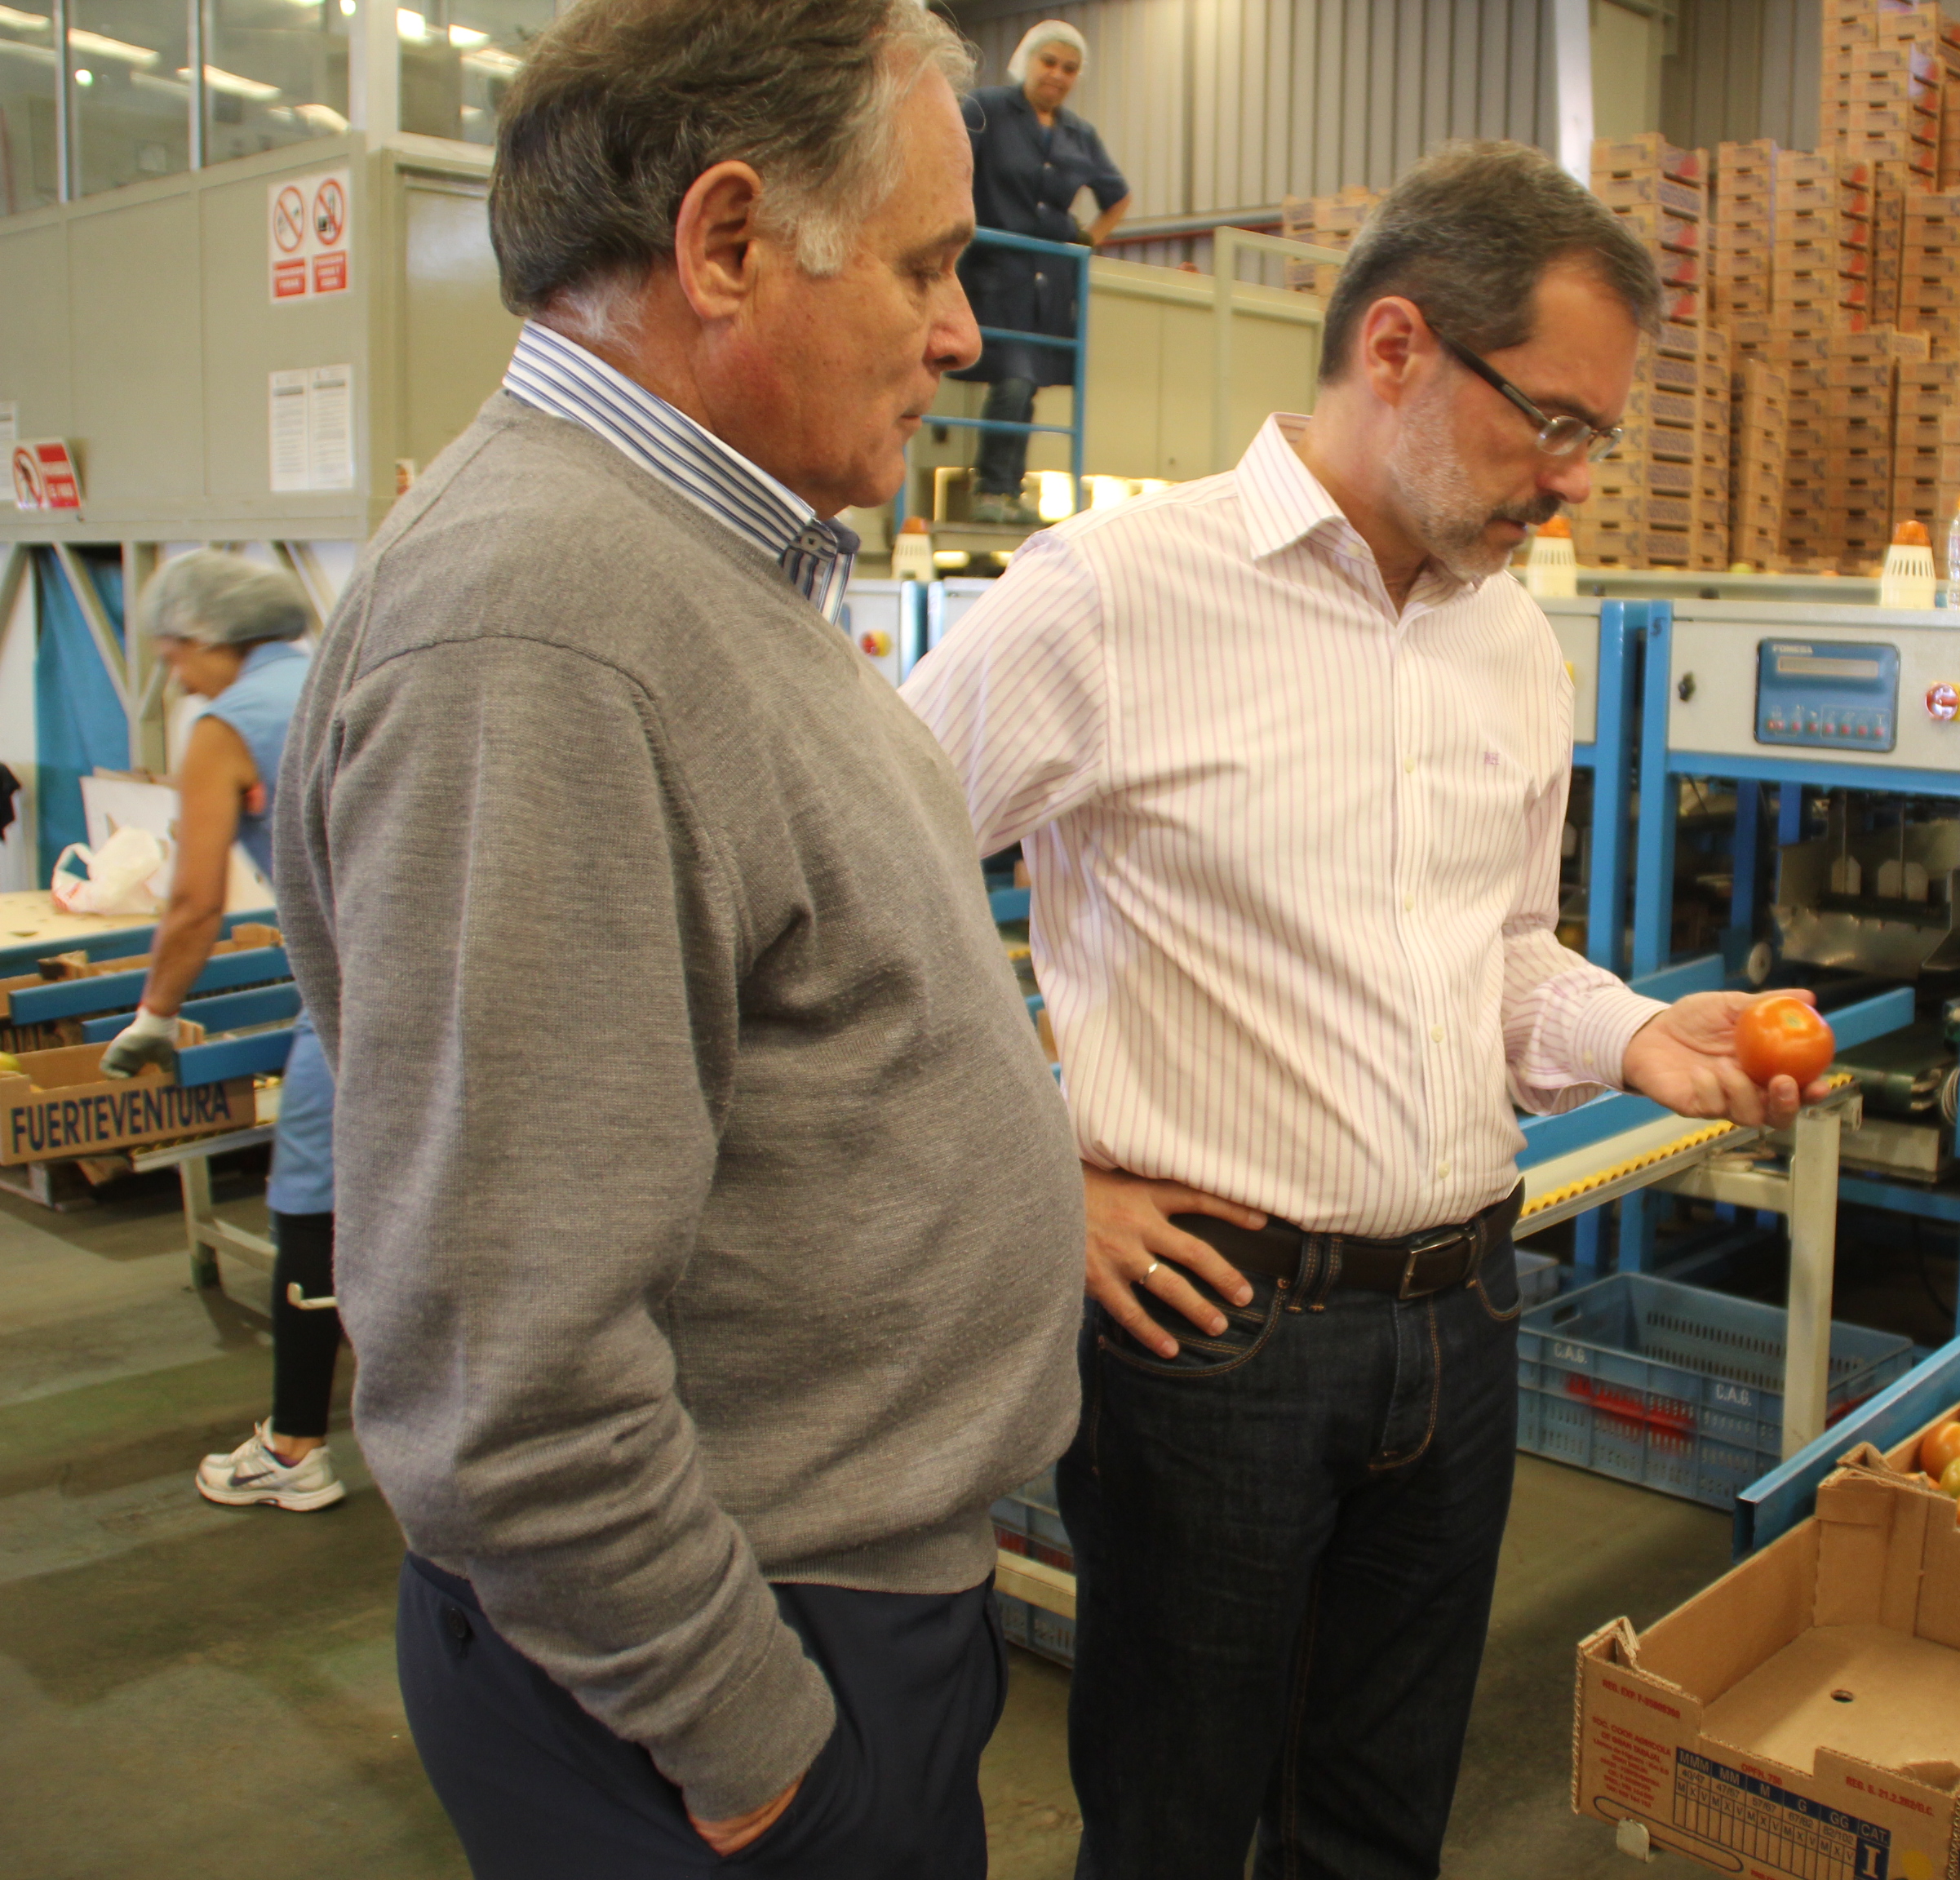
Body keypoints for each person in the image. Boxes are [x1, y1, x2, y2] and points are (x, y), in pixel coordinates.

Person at [905, 139, 1831, 1880]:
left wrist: (1639, 1037)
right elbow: (861, 900)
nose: (1567, 484)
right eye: (1548, 420)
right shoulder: (1114, 597)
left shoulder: (1506, 641)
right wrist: (1045, 1173)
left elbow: (1498, 955)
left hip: (1466, 1309)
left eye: (1595, 439)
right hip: (1214, 1336)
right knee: (1178, 1823)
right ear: (1396, 346)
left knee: (1380, 1826)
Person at [272, 2, 1084, 1874]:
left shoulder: (697, 567)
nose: (963, 335)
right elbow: (507, 1367)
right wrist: (757, 1749)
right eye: (926, 267)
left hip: (820, 1600)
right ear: (725, 244)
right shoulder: (541, 626)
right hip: (720, 1670)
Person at [95, 553, 341, 1514]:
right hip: (456, 982)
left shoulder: (225, 727)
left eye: (176, 653)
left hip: (353, 993)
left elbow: (193, 902)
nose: (176, 675)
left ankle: (294, 1448)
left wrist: (155, 1016)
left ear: (209, 638)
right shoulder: (341, 673)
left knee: (310, 1202)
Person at [955, 19, 1128, 524]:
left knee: (1028, 384)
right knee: (1013, 376)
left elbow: (1117, 197)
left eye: (1070, 68)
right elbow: (953, 166)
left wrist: (1086, 240)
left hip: (1050, 278)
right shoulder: (985, 110)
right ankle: (991, 489)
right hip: (995, 268)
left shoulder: (1080, 134)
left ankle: (1009, 491)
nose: (1058, 74)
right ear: (1026, 61)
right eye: (1049, 62)